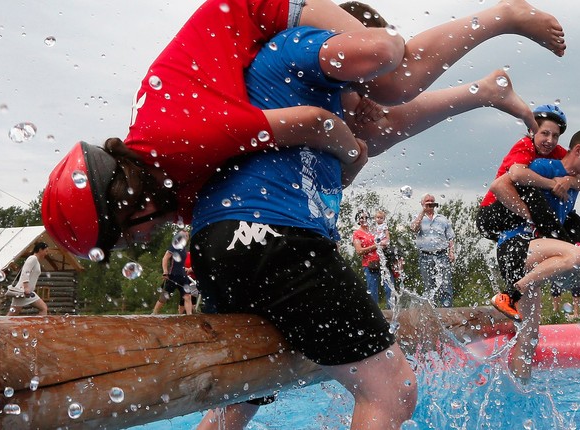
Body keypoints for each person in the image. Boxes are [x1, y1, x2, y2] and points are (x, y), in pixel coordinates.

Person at [189, 9, 549, 428]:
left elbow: (375, 132)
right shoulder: (303, 47)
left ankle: (487, 88)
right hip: (274, 236)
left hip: (219, 241)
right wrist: (502, 18)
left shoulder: (287, 86)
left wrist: (480, 93)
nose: (373, 105)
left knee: (243, 396)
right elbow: (393, 92)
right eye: (366, 89)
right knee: (391, 389)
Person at [42, 0, 567, 258]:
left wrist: (351, 151)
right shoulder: (173, 188)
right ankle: (488, 90)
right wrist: (354, 154)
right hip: (275, 55)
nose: (139, 242)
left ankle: (504, 14)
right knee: (376, 125)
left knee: (388, 76)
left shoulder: (177, 138)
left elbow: (314, 125)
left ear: (127, 201)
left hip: (267, 8)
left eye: (124, 236)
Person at [478, 106, 580, 319]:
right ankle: (571, 248)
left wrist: (569, 181)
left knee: (529, 333)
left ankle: (568, 249)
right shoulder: (527, 149)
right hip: (492, 213)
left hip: (523, 240)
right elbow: (504, 182)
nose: (550, 140)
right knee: (534, 196)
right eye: (544, 133)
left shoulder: (556, 156)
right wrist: (551, 185)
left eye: (555, 135)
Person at [411, 194, 455, 308]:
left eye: (432, 201)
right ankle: (432, 312)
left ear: (435, 203)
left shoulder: (442, 219)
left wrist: (451, 252)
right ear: (422, 203)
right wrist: (423, 212)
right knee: (429, 286)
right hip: (425, 256)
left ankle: (447, 311)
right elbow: (414, 229)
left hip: (442, 255)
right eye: (427, 201)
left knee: (446, 284)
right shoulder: (418, 217)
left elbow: (450, 237)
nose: (430, 203)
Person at [352, 210, 393, 308]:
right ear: (358, 220)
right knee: (373, 291)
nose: (364, 219)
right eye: (361, 218)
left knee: (390, 290)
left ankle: (392, 314)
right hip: (369, 265)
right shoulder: (357, 234)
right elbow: (359, 251)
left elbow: (387, 239)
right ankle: (375, 315)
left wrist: (386, 242)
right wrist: (376, 246)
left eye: (366, 217)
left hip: (383, 262)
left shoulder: (375, 229)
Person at [153, 230, 195, 315]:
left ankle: (189, 316)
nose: (185, 237)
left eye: (187, 236)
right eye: (183, 235)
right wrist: (165, 272)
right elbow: (165, 258)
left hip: (183, 276)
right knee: (164, 297)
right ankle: (154, 314)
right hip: (173, 275)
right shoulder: (174, 246)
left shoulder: (184, 249)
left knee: (187, 296)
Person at [7, 242, 49, 316]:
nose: (46, 253)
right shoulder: (33, 258)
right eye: (46, 251)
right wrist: (26, 287)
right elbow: (25, 272)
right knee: (13, 314)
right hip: (22, 291)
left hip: (29, 292)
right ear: (40, 250)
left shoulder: (36, 260)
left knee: (43, 308)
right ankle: (1, 326)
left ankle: (37, 326)